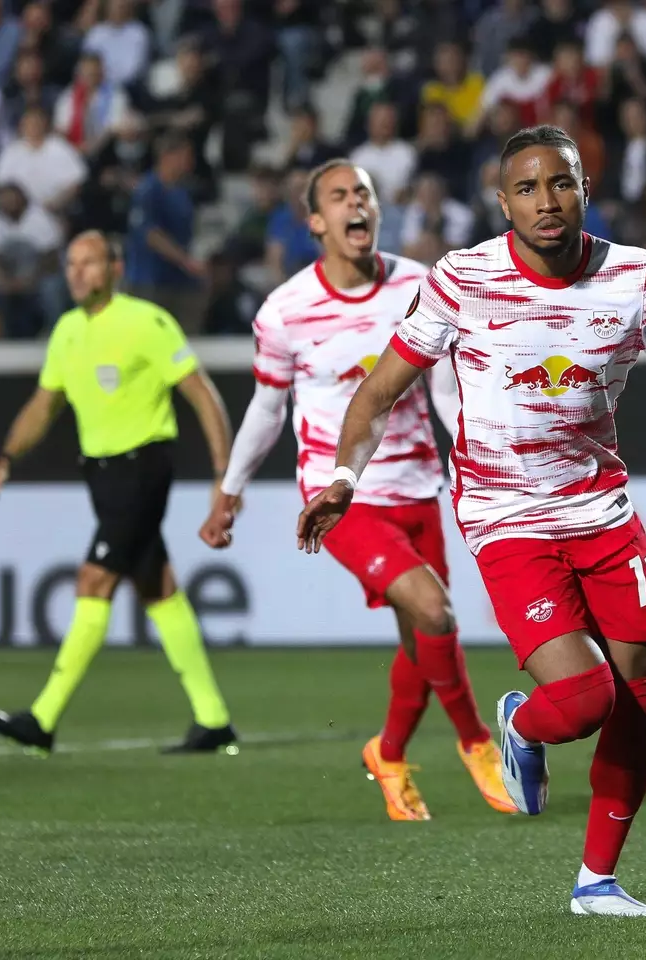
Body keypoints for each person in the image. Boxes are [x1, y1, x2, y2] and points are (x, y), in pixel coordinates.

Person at [296, 125, 646, 916]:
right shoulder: (462, 280)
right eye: (530, 188)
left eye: (563, 183)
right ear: (503, 201)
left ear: (585, 188)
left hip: (602, 511)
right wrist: (344, 475)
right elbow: (378, 394)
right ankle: (524, 725)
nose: (549, 201)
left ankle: (597, 882)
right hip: (506, 515)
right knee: (583, 699)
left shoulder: (635, 278)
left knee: (635, 692)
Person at [199, 159, 514, 822]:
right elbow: (266, 408)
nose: (355, 204)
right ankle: (477, 742)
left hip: (420, 486)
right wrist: (230, 487)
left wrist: (477, 461)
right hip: (341, 496)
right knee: (436, 612)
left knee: (419, 641)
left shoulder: (420, 285)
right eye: (339, 196)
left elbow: (446, 391)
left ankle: (389, 755)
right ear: (316, 222)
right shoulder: (286, 311)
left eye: (363, 193)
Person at [0, 231, 237, 755]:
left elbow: (203, 396)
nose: (76, 273)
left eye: (89, 263)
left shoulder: (146, 322)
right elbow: (43, 405)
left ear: (114, 267)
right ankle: (213, 721)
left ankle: (43, 719)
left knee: (94, 579)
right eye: (71, 264)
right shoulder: (68, 330)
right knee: (156, 588)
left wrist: (224, 476)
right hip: (102, 475)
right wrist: (6, 456)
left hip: (143, 466)